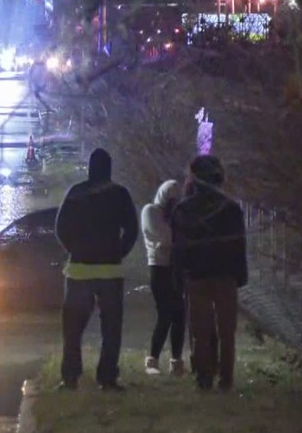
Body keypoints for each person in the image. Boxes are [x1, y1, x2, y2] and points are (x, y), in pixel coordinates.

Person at [54, 148, 140, 391]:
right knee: (111, 329)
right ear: (109, 168)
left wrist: (75, 249)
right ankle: (108, 378)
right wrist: (117, 252)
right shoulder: (120, 194)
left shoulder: (76, 193)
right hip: (110, 272)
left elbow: (60, 227)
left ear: (89, 167)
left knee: (72, 329)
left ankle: (70, 378)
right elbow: (132, 230)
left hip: (79, 270)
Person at [171, 155, 248, 391]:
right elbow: (239, 245)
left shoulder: (183, 209)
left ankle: (203, 378)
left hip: (196, 275)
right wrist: (240, 275)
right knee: (227, 332)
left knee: (200, 331)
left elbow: (178, 247)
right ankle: (226, 379)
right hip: (225, 275)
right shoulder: (231, 208)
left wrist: (178, 276)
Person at [141, 180, 186, 376]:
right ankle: (153, 359)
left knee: (180, 315)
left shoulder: (174, 216)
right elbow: (166, 237)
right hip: (159, 268)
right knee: (165, 314)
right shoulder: (150, 211)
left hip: (175, 267)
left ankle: (176, 361)